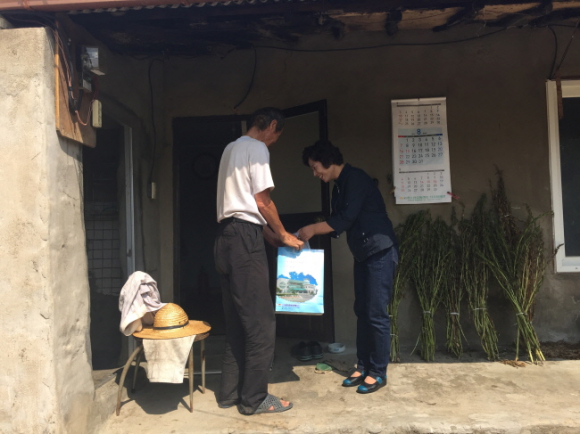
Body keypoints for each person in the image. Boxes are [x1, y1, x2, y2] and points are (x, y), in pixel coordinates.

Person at [214, 107, 303, 415]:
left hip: (225, 238)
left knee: (238, 322)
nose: (275, 142)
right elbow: (262, 201)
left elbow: (242, 205)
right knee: (262, 325)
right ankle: (254, 399)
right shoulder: (257, 148)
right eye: (277, 135)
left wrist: (268, 234)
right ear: (271, 125)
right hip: (243, 241)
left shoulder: (231, 149)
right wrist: (284, 234)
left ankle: (229, 393)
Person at [298, 140, 397, 394]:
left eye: (315, 167)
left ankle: (378, 371)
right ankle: (363, 366)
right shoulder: (339, 186)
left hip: (380, 251)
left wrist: (312, 229)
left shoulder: (356, 179)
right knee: (362, 310)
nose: (315, 173)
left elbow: (344, 219)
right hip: (363, 254)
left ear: (328, 161)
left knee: (376, 313)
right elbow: (337, 222)